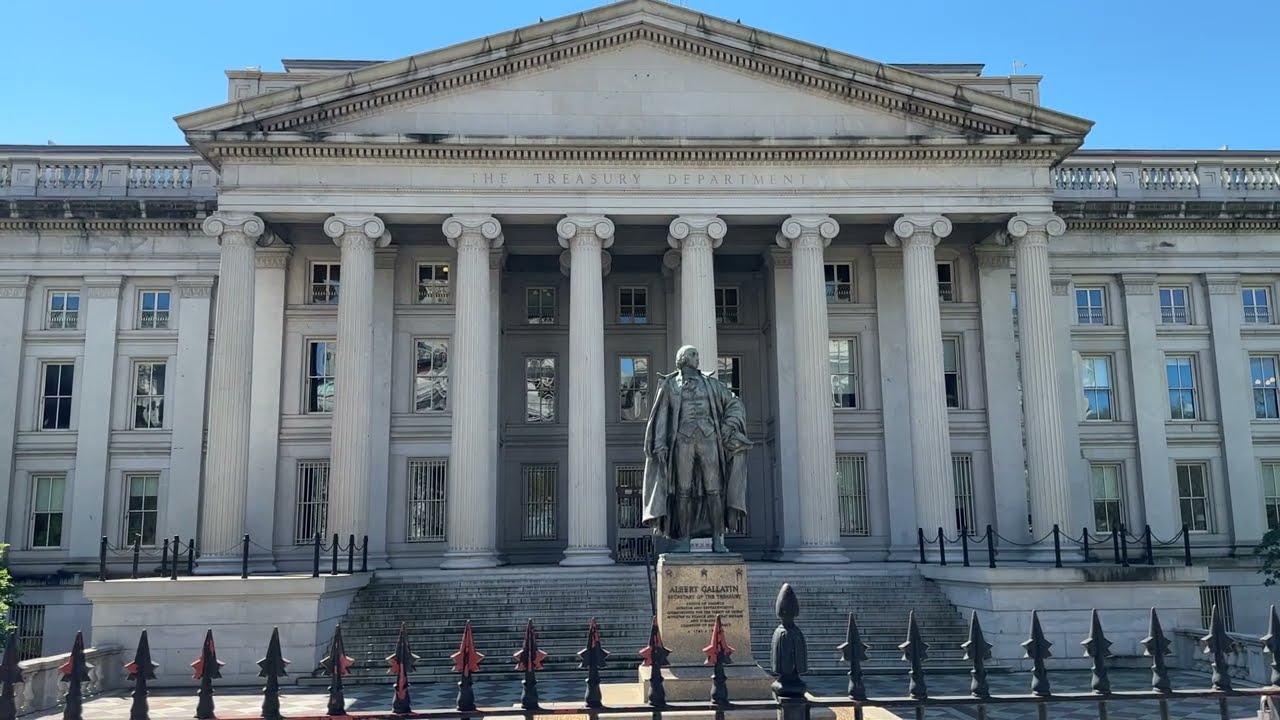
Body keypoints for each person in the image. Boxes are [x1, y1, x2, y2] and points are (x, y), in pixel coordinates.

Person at [642, 345, 752, 552]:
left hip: (710, 440)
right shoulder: (670, 385)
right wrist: (659, 444)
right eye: (693, 355)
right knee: (683, 491)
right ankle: (684, 539)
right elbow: (662, 416)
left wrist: (728, 425)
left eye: (697, 355)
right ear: (682, 358)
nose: (697, 358)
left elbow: (734, 403)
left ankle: (718, 539)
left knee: (714, 490)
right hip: (682, 442)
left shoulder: (711, 384)